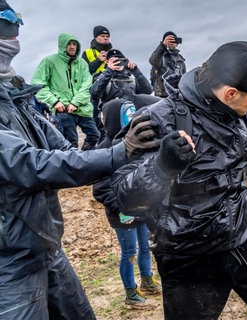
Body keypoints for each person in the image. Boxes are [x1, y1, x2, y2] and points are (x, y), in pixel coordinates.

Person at [111, 40, 247, 319]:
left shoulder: (236, 114)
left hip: (245, 239)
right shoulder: (156, 120)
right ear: (231, 93)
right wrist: (162, 167)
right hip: (189, 259)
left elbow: (242, 168)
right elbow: (122, 199)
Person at [0, 2, 160, 318]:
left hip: (46, 247)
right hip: (9, 262)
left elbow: (70, 154)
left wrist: (135, 158)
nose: (14, 37)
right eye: (6, 28)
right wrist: (118, 152)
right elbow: (32, 165)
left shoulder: (17, 99)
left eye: (16, 27)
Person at [92, 99, 162, 307]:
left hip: (140, 210)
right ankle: (130, 293)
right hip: (122, 214)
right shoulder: (105, 149)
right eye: (127, 113)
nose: (132, 117)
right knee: (129, 251)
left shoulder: (134, 143)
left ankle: (147, 281)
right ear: (115, 118)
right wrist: (122, 207)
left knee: (145, 247)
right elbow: (100, 189)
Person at [31, 33, 100, 150]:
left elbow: (87, 85)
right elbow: (37, 84)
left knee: (95, 135)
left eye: (74, 44)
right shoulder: (49, 61)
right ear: (62, 45)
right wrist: (54, 102)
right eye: (69, 44)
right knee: (70, 141)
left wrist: (76, 102)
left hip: (82, 108)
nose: (72, 47)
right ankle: (71, 165)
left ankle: (84, 158)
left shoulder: (82, 63)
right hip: (62, 109)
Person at [81, 25, 113, 140]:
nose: (106, 38)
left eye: (107, 36)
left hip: (111, 92)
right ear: (96, 38)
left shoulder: (113, 52)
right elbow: (84, 73)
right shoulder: (87, 53)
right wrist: (98, 60)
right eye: (103, 36)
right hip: (95, 93)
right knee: (97, 125)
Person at [149, 31, 186, 98]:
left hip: (177, 94)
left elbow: (184, 79)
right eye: (169, 40)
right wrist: (163, 45)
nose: (171, 43)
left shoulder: (181, 61)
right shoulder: (160, 57)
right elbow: (153, 61)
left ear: (177, 43)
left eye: (173, 41)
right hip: (162, 95)